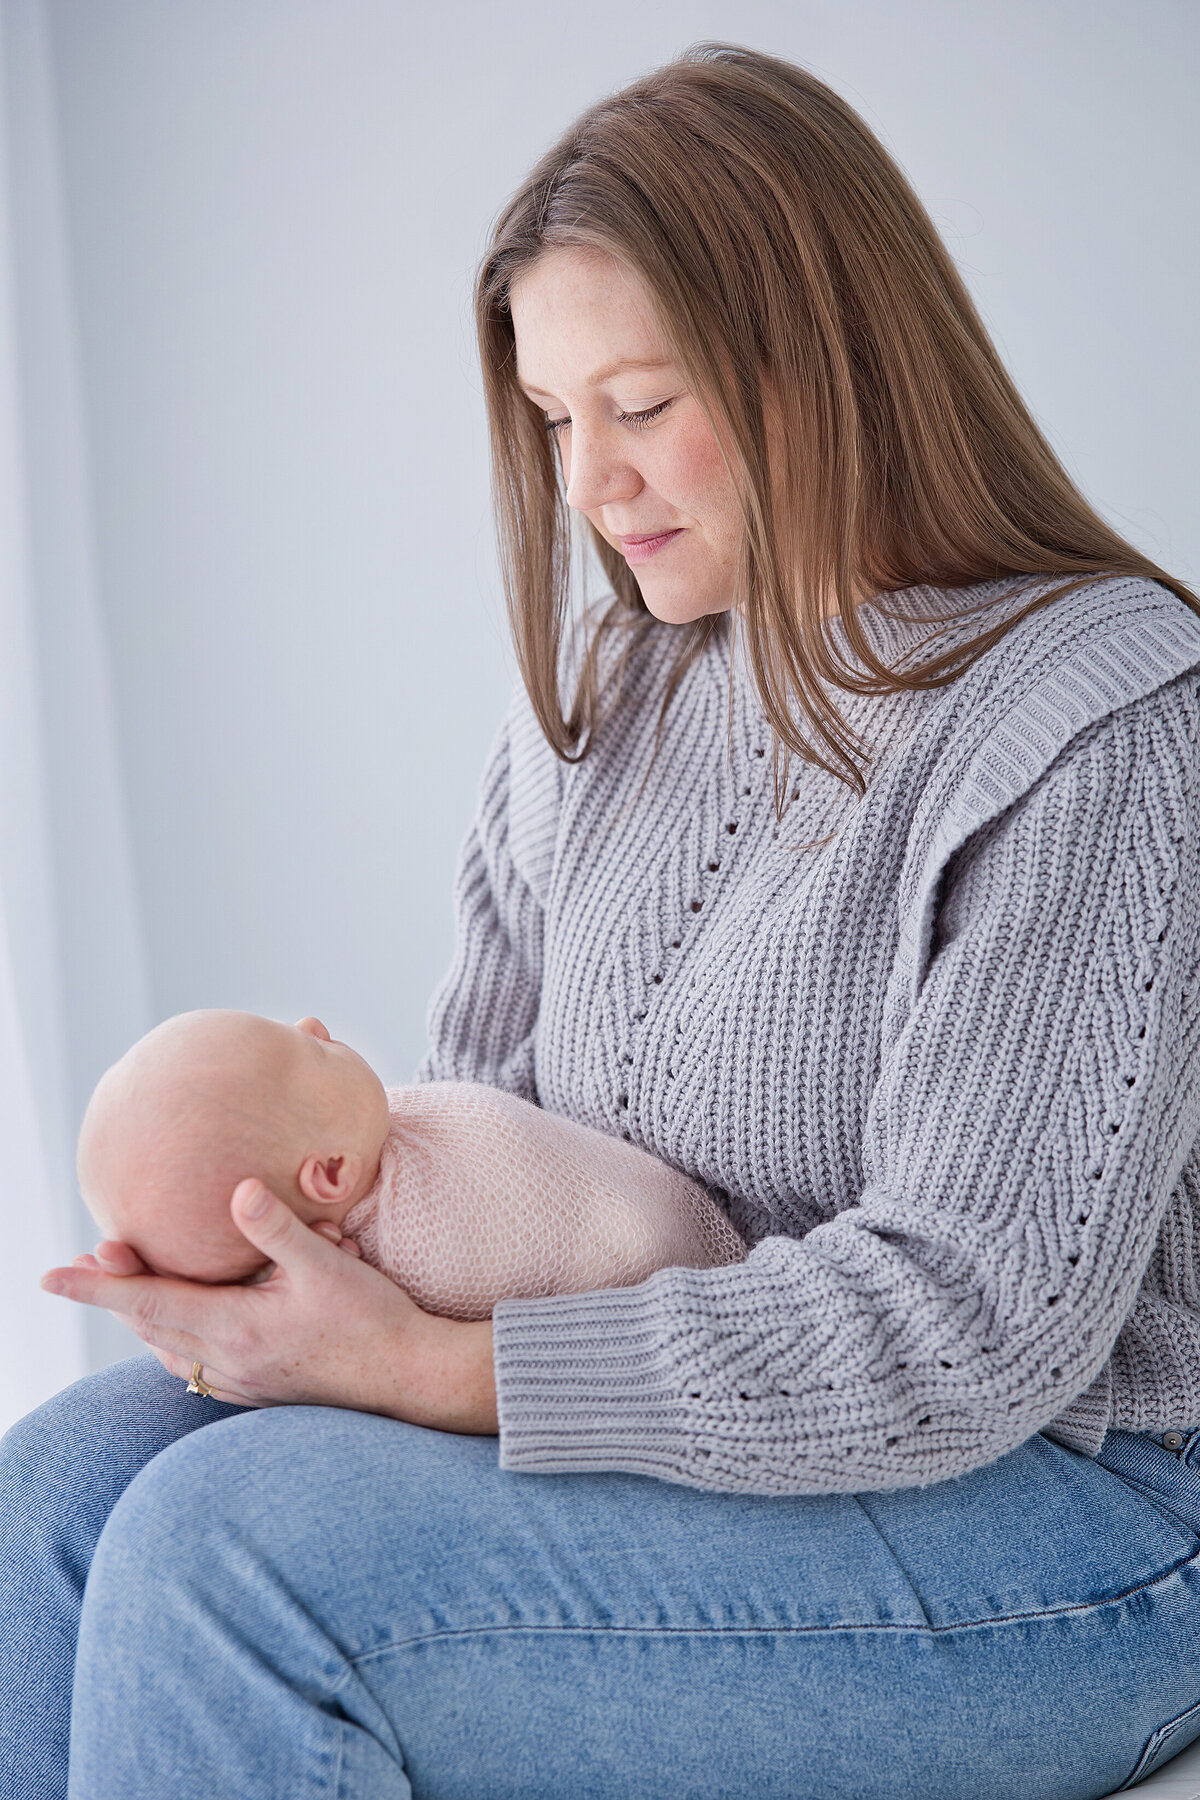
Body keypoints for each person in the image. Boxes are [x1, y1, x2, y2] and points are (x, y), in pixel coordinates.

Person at [3, 40, 1200, 1800]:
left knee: (227, 1563)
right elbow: (472, 1132)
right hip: (724, 1452)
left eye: (640, 406)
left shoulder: (1101, 721)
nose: (587, 485)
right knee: (59, 1497)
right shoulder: (603, 693)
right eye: (557, 421)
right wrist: (292, 1270)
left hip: (1074, 1515)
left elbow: (974, 1330)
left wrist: (431, 1371)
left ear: (829, 371)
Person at [75, 1007, 743, 1310]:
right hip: (652, 1281)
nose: (314, 1024)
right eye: (308, 1052)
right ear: (333, 1172)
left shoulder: (375, 1138)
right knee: (57, 1455)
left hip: (708, 1316)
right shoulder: (416, 1260)